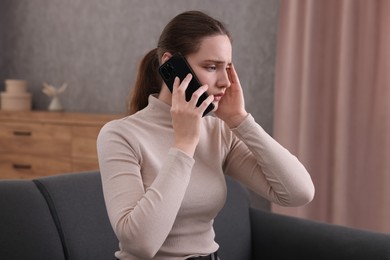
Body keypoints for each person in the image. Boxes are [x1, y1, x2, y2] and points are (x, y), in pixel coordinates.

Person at [97, 10, 315, 260]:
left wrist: (240, 121)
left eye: (228, 68)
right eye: (211, 67)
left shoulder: (217, 131)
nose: (224, 81)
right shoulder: (120, 135)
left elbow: (299, 193)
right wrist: (184, 144)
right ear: (170, 64)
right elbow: (141, 245)